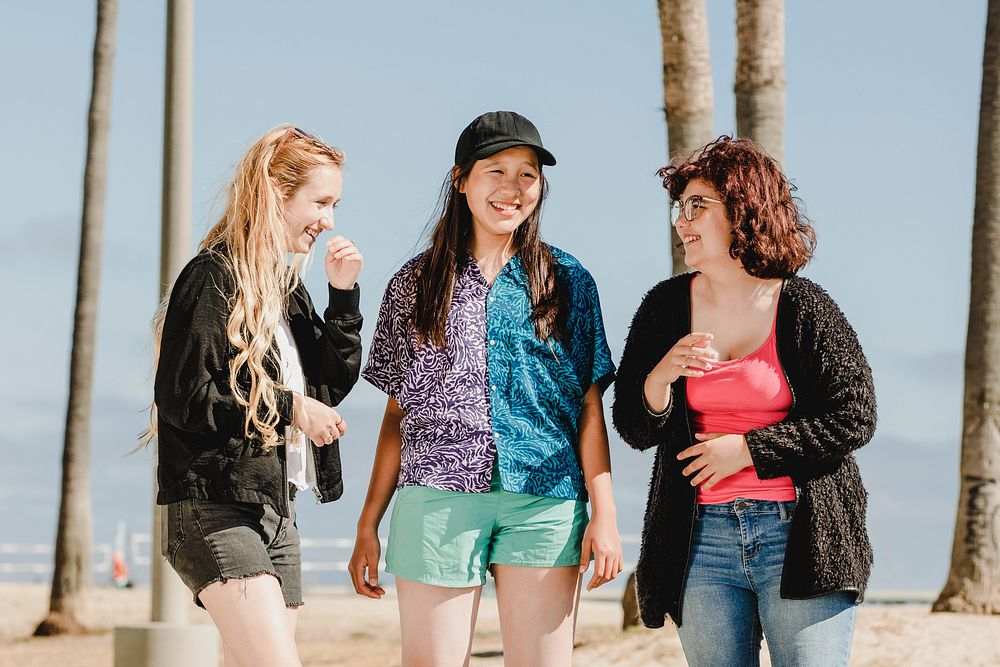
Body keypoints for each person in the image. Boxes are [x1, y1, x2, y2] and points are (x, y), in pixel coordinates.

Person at [349, 111, 622, 666]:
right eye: (495, 171)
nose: (513, 188)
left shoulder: (569, 281)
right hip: (437, 497)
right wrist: (367, 524)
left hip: (546, 498)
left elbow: (589, 407)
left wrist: (606, 515)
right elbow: (396, 416)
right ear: (461, 180)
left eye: (528, 174)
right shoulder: (414, 283)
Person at [612, 136, 877, 666]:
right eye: (678, 207)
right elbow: (631, 425)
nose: (681, 220)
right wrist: (661, 377)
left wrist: (750, 450)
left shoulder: (804, 306)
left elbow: (855, 414)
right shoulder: (664, 307)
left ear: (743, 210)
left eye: (697, 205)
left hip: (800, 536)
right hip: (699, 541)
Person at [150, 125, 364, 667]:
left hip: (277, 508)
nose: (329, 219)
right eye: (320, 201)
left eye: (334, 203)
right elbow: (184, 396)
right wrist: (291, 408)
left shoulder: (283, 289)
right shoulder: (211, 277)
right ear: (273, 191)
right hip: (213, 506)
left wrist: (343, 297)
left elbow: (330, 384)